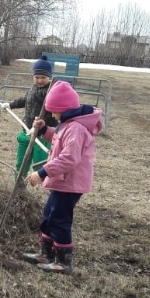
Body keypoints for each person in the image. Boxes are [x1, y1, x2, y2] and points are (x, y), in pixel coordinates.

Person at [21, 81, 103, 274]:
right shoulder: (68, 124)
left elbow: (69, 158)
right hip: (62, 181)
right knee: (49, 215)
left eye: (54, 111)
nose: (51, 115)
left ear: (64, 109)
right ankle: (46, 253)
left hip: (70, 183)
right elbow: (59, 139)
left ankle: (63, 261)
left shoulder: (76, 128)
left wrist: (42, 172)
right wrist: (44, 130)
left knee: (59, 219)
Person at [0, 55, 58, 177]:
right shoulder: (33, 88)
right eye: (37, 77)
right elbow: (25, 100)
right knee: (21, 163)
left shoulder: (52, 92)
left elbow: (52, 114)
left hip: (42, 136)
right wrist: (10, 105)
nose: (40, 80)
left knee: (40, 165)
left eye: (43, 77)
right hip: (26, 131)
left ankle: (43, 184)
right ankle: (19, 183)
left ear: (49, 77)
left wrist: (40, 128)